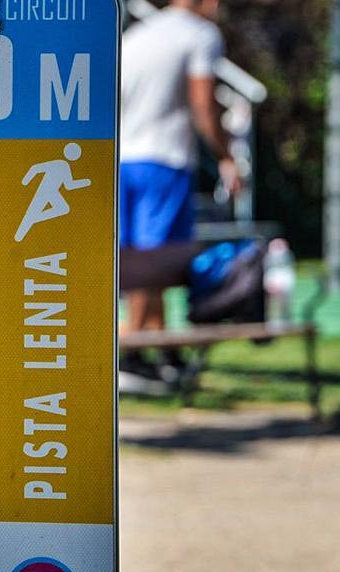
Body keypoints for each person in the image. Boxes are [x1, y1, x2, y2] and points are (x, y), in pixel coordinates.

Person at [119, 0, 240, 381]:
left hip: (122, 159)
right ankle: (130, 354)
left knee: (140, 257)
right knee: (155, 260)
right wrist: (226, 156)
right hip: (164, 160)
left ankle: (163, 351)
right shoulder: (201, 35)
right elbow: (204, 106)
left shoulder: (137, 35)